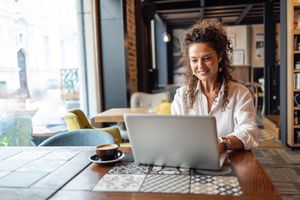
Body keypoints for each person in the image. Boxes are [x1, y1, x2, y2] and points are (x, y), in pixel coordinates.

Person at [171, 20, 258, 153]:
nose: (200, 66)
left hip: (231, 160)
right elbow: (175, 133)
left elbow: (249, 132)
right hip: (192, 158)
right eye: (194, 60)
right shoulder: (182, 95)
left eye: (206, 58)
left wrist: (222, 143)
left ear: (220, 57)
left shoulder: (240, 93)